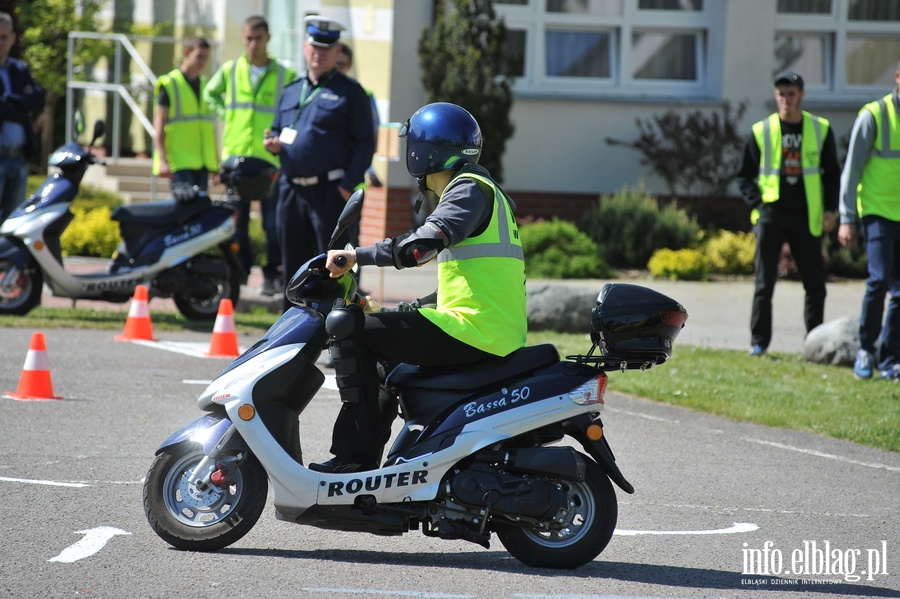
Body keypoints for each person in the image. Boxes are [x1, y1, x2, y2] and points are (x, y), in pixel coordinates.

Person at [307, 102, 527, 474]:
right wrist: (401, 310)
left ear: (423, 152)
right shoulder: (482, 191)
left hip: (476, 331)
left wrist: (354, 255)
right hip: (483, 327)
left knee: (350, 329)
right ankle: (394, 462)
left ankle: (353, 461)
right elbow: (470, 287)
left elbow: (419, 247)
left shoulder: (468, 189)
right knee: (381, 344)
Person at [263, 16, 375, 312]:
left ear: (337, 51)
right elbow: (277, 129)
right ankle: (289, 340)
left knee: (334, 268)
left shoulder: (350, 93)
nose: (318, 52)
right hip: (291, 191)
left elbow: (365, 142)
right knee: (293, 268)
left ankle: (337, 334)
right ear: (304, 47)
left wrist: (346, 184)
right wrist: (273, 144)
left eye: (326, 48)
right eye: (314, 46)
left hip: (329, 193)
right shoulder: (291, 89)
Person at [735, 70, 840, 356]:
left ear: (801, 95)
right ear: (775, 95)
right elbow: (744, 175)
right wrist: (758, 204)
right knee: (764, 282)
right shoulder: (762, 130)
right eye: (781, 93)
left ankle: (814, 342)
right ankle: (759, 343)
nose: (786, 99)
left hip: (807, 215)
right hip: (772, 213)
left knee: (815, 283)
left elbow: (832, 174)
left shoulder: (820, 128)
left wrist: (831, 209)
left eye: (791, 93)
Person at [204, 15, 295, 294]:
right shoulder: (231, 70)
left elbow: (295, 109)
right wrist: (227, 116)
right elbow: (210, 94)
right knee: (237, 222)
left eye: (257, 38)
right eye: (248, 38)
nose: (252, 44)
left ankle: (271, 276)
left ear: (267, 38)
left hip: (269, 162)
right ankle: (240, 273)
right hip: (236, 160)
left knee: (272, 224)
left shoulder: (284, 74)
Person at [838, 57, 900, 380]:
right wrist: (847, 217)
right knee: (878, 281)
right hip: (877, 213)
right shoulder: (873, 116)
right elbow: (851, 171)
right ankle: (866, 348)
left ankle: (890, 359)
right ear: (897, 77)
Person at [152, 36, 218, 194]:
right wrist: (162, 159)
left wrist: (215, 165)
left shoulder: (205, 86)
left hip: (202, 164)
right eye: (199, 56)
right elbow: (159, 124)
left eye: (206, 58)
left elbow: (209, 129)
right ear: (186, 53)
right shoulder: (170, 84)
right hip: (179, 163)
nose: (203, 62)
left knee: (198, 213)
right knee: (183, 211)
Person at [0, 11, 45, 225]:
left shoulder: (19, 70)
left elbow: (37, 101)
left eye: (4, 37)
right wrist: (20, 105)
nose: (0, 42)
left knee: (12, 221)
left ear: (12, 38)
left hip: (18, 159)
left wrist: (9, 99)